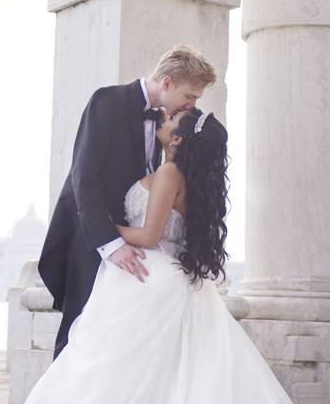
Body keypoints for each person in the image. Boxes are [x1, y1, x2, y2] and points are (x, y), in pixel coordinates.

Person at [26, 111, 293, 403]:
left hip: (149, 273)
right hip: (171, 275)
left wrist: (103, 229)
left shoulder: (169, 173)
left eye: (172, 119)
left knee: (124, 367)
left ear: (177, 137)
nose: (164, 118)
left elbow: (150, 236)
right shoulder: (186, 178)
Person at [38, 45, 216, 357]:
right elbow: (84, 178)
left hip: (134, 254)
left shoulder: (166, 126)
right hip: (93, 240)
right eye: (190, 96)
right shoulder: (108, 101)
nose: (191, 105)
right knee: (77, 342)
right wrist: (111, 244)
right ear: (168, 83)